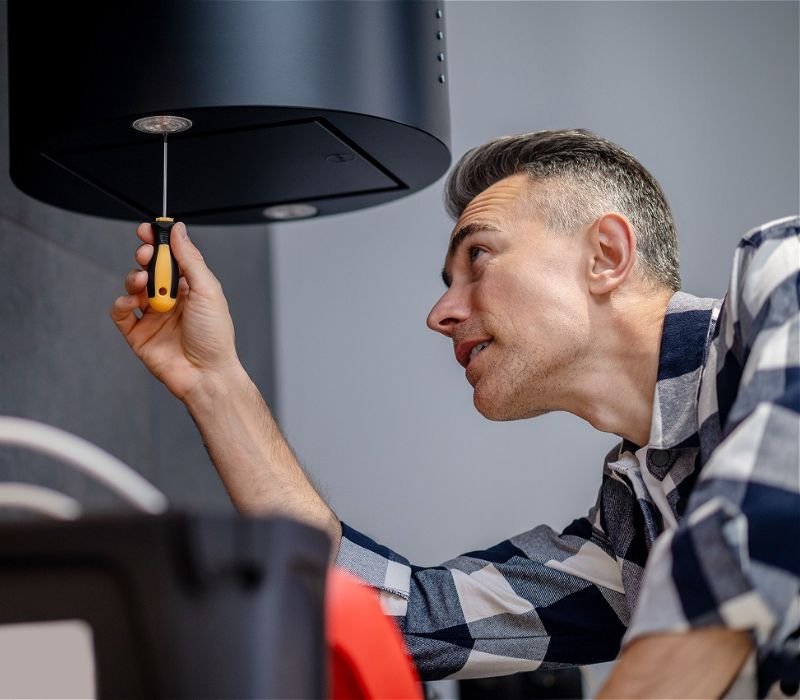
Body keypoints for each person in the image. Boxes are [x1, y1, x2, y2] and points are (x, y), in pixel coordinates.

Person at [111, 130, 799, 699]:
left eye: (478, 257)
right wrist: (214, 381)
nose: (440, 314)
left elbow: (761, 521)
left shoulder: (784, 276)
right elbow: (400, 618)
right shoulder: (632, 530)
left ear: (606, 255)